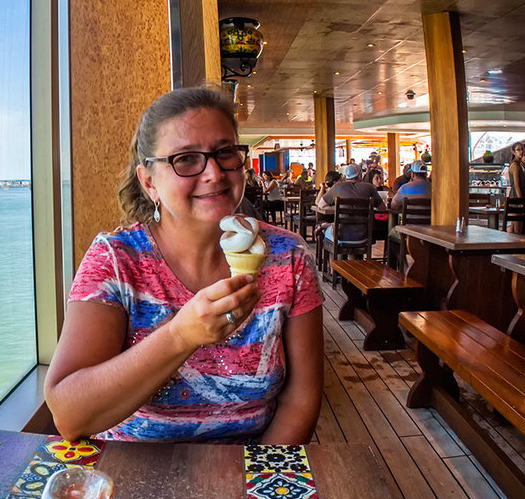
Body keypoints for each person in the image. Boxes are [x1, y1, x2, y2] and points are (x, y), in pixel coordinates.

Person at [44, 87, 325, 444]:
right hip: (134, 474)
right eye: (186, 159)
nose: (214, 173)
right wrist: (181, 335)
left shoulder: (288, 256)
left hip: (253, 472)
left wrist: (252, 484)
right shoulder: (116, 261)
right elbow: (69, 416)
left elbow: (301, 400)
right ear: (149, 183)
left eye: (225, 153)